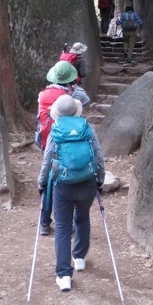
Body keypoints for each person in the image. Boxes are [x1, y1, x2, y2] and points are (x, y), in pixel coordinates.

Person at [37, 94, 105, 292]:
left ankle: (64, 275)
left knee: (63, 227)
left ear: (57, 113)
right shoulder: (87, 128)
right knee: (82, 218)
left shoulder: (55, 131)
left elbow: (47, 161)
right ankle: (80, 257)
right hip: (87, 183)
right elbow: (98, 156)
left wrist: (41, 184)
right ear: (76, 111)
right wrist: (99, 180)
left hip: (63, 186)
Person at [37, 61, 91, 236]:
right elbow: (86, 101)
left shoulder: (43, 95)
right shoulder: (72, 96)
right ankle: (72, 223)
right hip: (68, 145)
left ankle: (44, 222)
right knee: (71, 180)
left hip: (48, 143)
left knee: (48, 181)